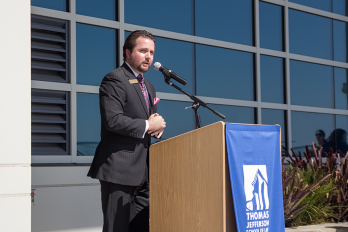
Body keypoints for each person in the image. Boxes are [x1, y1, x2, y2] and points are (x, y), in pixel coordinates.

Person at [87, 30, 166, 232]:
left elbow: (148, 121)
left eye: (151, 52)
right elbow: (112, 120)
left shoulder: (149, 86)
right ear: (128, 52)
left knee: (141, 227)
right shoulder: (114, 79)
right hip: (119, 172)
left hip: (145, 174)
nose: (148, 56)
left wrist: (156, 128)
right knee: (117, 228)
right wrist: (148, 126)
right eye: (143, 51)